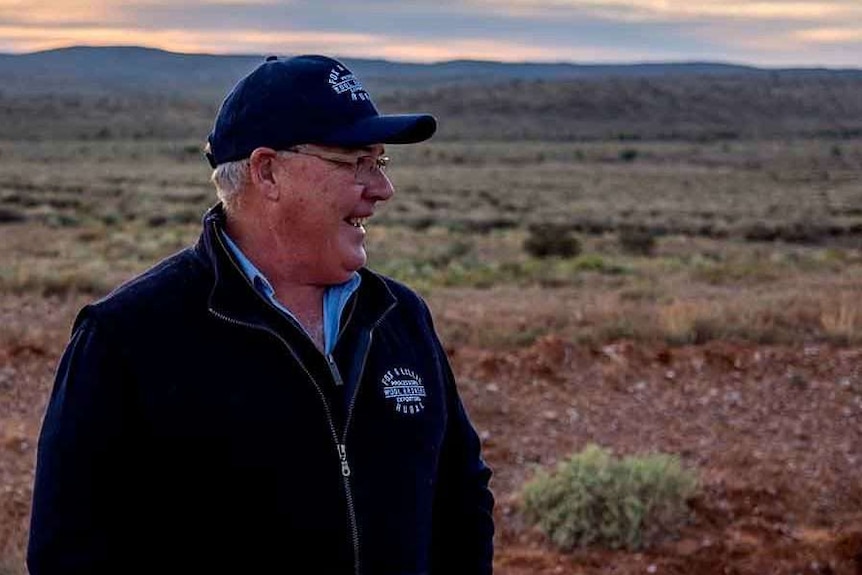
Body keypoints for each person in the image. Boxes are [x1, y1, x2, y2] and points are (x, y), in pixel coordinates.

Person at [27, 54, 495, 575]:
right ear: (267, 171)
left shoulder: (399, 316)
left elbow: (461, 499)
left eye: (380, 163)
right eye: (355, 162)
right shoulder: (127, 337)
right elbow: (71, 554)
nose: (382, 189)